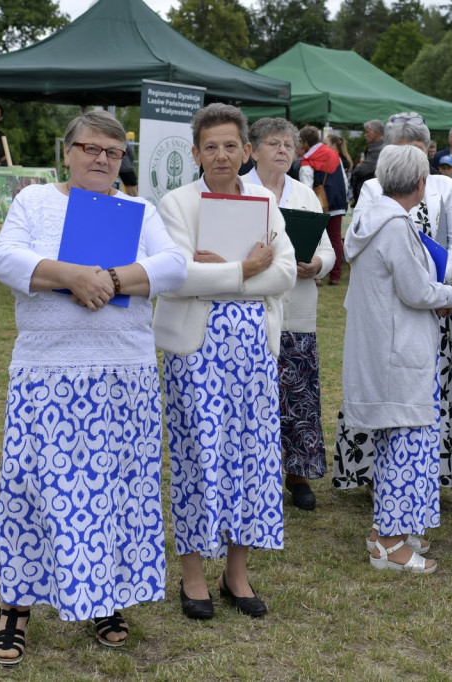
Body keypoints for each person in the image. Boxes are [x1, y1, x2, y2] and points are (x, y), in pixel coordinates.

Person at [0, 110, 186, 665]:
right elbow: (6, 259)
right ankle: (16, 607)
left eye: (113, 152)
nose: (101, 159)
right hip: (47, 372)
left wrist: (115, 279)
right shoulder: (34, 202)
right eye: (91, 148)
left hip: (123, 374)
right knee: (29, 489)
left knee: (114, 492)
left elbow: (173, 266)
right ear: (68, 151)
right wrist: (72, 273)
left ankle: (106, 599)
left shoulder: (138, 209)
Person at [154, 103, 295, 620]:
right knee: (197, 456)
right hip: (194, 353)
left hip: (255, 353)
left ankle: (236, 572)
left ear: (246, 151)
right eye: (210, 146)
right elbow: (179, 276)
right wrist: (245, 269)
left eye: (230, 145)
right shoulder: (177, 202)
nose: (221, 155)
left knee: (252, 458)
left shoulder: (262, 199)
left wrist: (228, 273)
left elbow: (283, 273)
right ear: (195, 152)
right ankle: (192, 576)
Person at [335, 112, 452, 505]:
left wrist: (441, 280)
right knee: (385, 385)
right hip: (392, 303)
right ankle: (382, 479)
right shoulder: (378, 193)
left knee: (427, 389)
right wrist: (430, 289)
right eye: (400, 149)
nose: (408, 156)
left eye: (416, 149)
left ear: (427, 153)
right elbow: (363, 246)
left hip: (431, 296)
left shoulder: (444, 186)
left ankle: (422, 476)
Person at [342, 144, 452, 574]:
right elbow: (416, 290)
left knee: (396, 445)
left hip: (383, 349)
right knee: (408, 446)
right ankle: (391, 545)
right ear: (420, 184)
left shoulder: (372, 220)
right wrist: (449, 293)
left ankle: (387, 530)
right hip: (398, 351)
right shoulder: (394, 226)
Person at [244, 117, 335, 511]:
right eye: (273, 143)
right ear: (254, 149)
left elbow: (328, 248)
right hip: (251, 304)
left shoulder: (305, 195)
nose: (282, 150)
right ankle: (253, 475)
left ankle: (297, 475)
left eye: (288, 145)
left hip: (297, 307)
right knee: (253, 396)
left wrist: (316, 263)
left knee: (297, 394)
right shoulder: (240, 190)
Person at [298, 126, 347, 286]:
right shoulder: (334, 153)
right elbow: (344, 181)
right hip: (337, 202)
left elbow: (305, 187)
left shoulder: (308, 159)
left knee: (314, 238)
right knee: (335, 239)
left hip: (318, 204)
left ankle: (317, 276)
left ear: (305, 142)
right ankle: (335, 276)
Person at [350, 119, 385, 201]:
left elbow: (363, 171)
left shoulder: (378, 150)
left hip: (370, 196)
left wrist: (357, 168)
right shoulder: (375, 148)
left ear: (376, 132)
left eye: (367, 132)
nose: (365, 135)